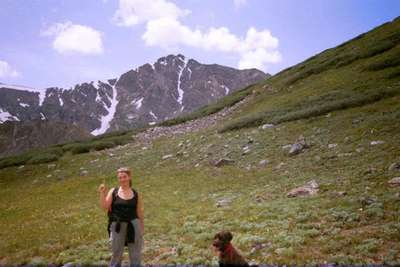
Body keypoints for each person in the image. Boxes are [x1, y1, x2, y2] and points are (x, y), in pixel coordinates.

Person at [98, 167, 144, 267]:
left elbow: (139, 212)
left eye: (124, 177)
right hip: (117, 226)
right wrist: (102, 193)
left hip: (134, 224)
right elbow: (105, 206)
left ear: (129, 177)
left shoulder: (136, 193)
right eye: (120, 177)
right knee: (116, 252)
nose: (122, 179)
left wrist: (141, 227)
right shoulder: (113, 191)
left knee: (135, 252)